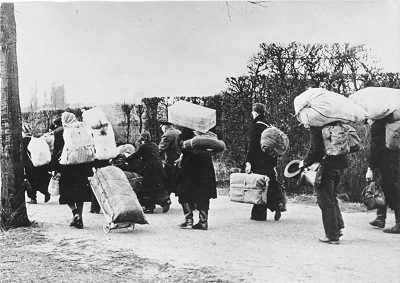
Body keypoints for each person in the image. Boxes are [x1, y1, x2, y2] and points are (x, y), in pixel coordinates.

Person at [300, 123, 348, 244]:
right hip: (341, 165)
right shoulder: (336, 123)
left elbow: (315, 149)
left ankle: (331, 235)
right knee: (331, 196)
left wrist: (304, 162)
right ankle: (337, 227)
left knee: (325, 200)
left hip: (326, 166)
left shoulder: (316, 124)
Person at [51, 112, 93, 229]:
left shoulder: (60, 132)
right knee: (80, 191)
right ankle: (80, 216)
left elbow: (57, 150)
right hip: (82, 165)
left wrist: (54, 167)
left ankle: (74, 213)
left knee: (66, 191)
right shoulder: (82, 128)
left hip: (67, 166)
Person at [245, 103, 285, 221]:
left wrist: (248, 161)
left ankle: (259, 214)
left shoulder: (257, 126)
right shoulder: (269, 125)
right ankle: (277, 204)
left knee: (260, 185)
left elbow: (252, 146)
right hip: (270, 159)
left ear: (255, 112)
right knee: (271, 183)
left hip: (258, 160)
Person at [175, 127, 217, 230]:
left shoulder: (187, 129)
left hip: (190, 164)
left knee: (183, 190)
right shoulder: (207, 130)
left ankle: (188, 220)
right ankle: (203, 221)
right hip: (206, 165)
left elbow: (181, 144)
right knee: (204, 191)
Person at [366, 114, 400, 233]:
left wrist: (370, 167)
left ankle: (399, 223)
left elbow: (376, 148)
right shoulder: (393, 123)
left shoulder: (378, 125)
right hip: (395, 159)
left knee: (392, 189)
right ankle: (380, 218)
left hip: (387, 162)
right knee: (382, 186)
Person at [126, 130, 171, 213]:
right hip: (159, 167)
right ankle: (165, 200)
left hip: (150, 168)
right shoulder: (155, 145)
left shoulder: (144, 146)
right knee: (158, 186)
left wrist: (127, 159)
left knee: (146, 187)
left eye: (141, 138)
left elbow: (136, 155)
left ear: (145, 138)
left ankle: (149, 207)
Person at [22, 124, 51, 204]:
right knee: (39, 180)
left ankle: (33, 198)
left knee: (30, 181)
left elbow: (23, 154)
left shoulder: (23, 141)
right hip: (39, 163)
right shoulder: (34, 140)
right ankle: (45, 192)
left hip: (29, 164)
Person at [158, 119, 181, 195]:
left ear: (165, 126)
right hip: (181, 161)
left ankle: (166, 200)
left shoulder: (167, 135)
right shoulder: (179, 132)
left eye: (161, 126)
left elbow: (160, 149)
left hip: (171, 162)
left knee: (167, 182)